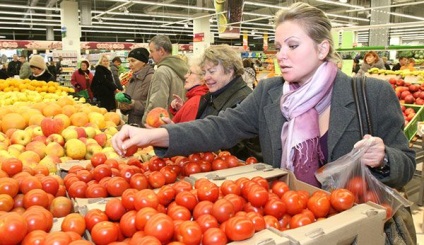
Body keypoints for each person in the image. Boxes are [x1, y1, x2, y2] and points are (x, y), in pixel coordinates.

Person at [113, 1, 415, 191]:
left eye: (292, 46)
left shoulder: (370, 94)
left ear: (322, 48)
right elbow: (220, 127)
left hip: (354, 226)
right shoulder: (270, 92)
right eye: (279, 45)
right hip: (291, 221)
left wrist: (384, 157)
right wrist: (152, 135)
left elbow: (406, 164)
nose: (280, 55)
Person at [141, 35, 188, 125]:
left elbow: (157, 103)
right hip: (178, 123)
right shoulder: (185, 68)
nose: (150, 55)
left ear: (161, 51)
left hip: (163, 126)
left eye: (152, 51)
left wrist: (145, 123)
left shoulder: (162, 71)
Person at [118, 47, 155, 125]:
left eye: (133, 61)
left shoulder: (151, 78)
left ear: (143, 62)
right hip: (133, 124)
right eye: (129, 61)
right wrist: (123, 107)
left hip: (145, 126)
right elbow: (128, 99)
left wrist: (133, 104)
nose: (130, 65)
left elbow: (154, 106)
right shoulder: (132, 79)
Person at [169, 56, 209, 123]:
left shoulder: (194, 102)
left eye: (191, 73)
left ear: (202, 79)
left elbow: (185, 131)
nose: (186, 76)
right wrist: (182, 109)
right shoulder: (200, 97)